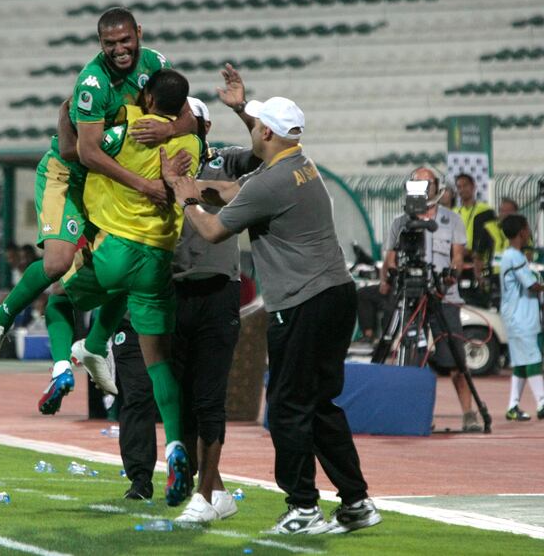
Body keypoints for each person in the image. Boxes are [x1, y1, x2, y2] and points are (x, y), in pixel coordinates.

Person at [170, 93, 381, 535]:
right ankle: (356, 501)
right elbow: (235, 191)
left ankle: (303, 507)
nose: (251, 129)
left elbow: (210, 230)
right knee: (319, 403)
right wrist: (240, 108)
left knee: (287, 408)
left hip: (303, 301)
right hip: (335, 294)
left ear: (266, 131)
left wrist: (186, 196)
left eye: (256, 123)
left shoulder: (270, 182)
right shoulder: (300, 166)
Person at [0, 7, 194, 404]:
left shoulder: (157, 63)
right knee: (58, 264)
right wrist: (146, 184)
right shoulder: (92, 83)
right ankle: (2, 317)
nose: (120, 50)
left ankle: (93, 346)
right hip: (71, 174)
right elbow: (85, 153)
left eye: (125, 40)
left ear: (138, 33)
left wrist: (170, 127)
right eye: (110, 44)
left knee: (126, 267)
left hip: (108, 184)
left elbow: (189, 118)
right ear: (100, 44)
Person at [112, 86, 261, 521]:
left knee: (209, 396)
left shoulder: (222, 159)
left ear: (204, 126)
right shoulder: (151, 166)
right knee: (178, 397)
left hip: (217, 289)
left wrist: (243, 109)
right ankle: (210, 491)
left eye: (186, 122)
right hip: (170, 292)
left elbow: (257, 157)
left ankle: (205, 495)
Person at [62, 69, 201, 507]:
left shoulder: (129, 130)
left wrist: (68, 111)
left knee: (58, 296)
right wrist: (179, 131)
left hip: (118, 249)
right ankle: (177, 447)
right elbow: (194, 135)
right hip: (159, 261)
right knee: (160, 367)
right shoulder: (192, 144)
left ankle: (79, 348)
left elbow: (76, 150)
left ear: (145, 94)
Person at [381, 167, 483, 432]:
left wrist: (451, 275)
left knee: (456, 358)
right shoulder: (400, 222)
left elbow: (458, 257)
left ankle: (469, 413)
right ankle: (412, 414)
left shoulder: (452, 220)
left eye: (429, 183)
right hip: (411, 297)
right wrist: (389, 278)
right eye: (418, 183)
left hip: (444, 297)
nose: (424, 188)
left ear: (438, 186)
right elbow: (390, 259)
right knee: (410, 358)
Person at [498, 214, 544, 421]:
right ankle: (542, 403)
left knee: (521, 362)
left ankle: (513, 405)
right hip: (520, 317)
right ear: (522, 232)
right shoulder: (514, 256)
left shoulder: (514, 255)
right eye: (527, 228)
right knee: (534, 358)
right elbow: (532, 285)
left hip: (518, 315)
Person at [454, 173, 504, 291]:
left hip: (479, 260)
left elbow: (492, 237)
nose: (462, 190)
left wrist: (474, 251)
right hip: (459, 259)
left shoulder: (485, 210)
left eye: (465, 186)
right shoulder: (455, 212)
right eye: (459, 187)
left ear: (473, 187)